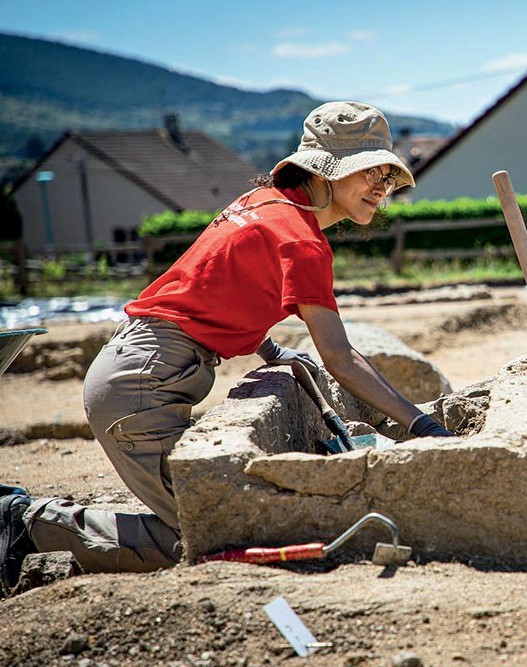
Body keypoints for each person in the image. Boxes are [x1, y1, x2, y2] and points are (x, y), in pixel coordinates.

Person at [0, 101, 454, 596]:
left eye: (387, 176)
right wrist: (421, 423)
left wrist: (270, 349)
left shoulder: (263, 203)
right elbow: (340, 358)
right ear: (324, 172)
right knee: (209, 538)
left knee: (212, 522)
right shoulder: (301, 243)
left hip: (142, 366)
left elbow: (212, 288)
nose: (381, 188)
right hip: (141, 385)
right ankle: (29, 526)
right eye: (368, 172)